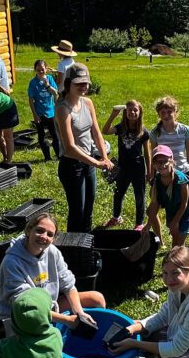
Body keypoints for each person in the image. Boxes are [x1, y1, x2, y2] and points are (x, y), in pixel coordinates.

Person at [0, 213, 105, 328]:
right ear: (28, 231)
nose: (43, 236)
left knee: (97, 299)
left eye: (49, 234)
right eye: (39, 230)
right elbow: (27, 307)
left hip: (49, 306)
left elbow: (68, 285)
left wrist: (79, 313)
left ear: (53, 239)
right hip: (22, 317)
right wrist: (67, 320)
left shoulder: (53, 252)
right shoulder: (11, 263)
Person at [54, 62, 113, 232]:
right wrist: (97, 163)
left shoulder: (87, 103)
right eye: (78, 83)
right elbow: (70, 147)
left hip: (89, 162)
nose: (83, 86)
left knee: (88, 208)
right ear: (68, 83)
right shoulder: (63, 109)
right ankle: (73, 248)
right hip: (71, 166)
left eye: (85, 82)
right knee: (77, 211)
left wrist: (105, 157)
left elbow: (96, 133)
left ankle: (86, 245)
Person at [102, 98, 149, 230]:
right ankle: (116, 217)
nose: (132, 112)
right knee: (118, 193)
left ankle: (139, 223)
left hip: (138, 168)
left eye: (135, 110)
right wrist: (113, 115)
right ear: (125, 112)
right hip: (123, 167)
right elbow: (105, 131)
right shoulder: (120, 128)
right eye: (129, 110)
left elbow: (147, 153)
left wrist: (150, 171)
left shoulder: (143, 131)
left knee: (139, 196)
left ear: (140, 112)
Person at [141, 144, 189, 247]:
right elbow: (155, 204)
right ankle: (173, 255)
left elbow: (184, 204)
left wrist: (175, 222)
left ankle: (178, 258)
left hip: (185, 211)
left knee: (180, 239)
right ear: (153, 164)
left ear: (171, 160)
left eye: (164, 161)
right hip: (171, 209)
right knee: (174, 237)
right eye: (157, 162)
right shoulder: (157, 181)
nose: (162, 165)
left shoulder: (181, 180)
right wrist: (148, 225)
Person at [147, 96, 189, 193]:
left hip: (184, 173)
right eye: (163, 112)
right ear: (158, 114)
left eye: (169, 112)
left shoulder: (185, 131)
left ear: (175, 112)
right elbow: (154, 158)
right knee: (169, 204)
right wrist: (152, 178)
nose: (166, 115)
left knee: (186, 203)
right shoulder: (155, 134)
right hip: (164, 174)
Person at [27, 59, 60, 162]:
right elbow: (31, 100)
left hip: (51, 113)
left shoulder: (50, 79)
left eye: (42, 69)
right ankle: (47, 157)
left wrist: (47, 85)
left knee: (55, 135)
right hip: (40, 113)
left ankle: (59, 155)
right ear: (35, 70)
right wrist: (35, 115)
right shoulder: (33, 83)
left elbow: (55, 94)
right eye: (38, 70)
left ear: (46, 69)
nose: (41, 71)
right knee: (42, 136)